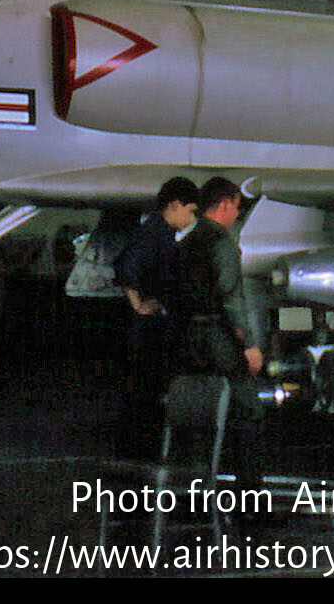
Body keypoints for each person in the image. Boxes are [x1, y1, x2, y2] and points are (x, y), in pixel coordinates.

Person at [172, 176, 264, 484]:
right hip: (217, 339)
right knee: (247, 410)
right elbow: (231, 300)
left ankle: (195, 493)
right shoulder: (222, 244)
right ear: (224, 204)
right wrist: (249, 345)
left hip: (186, 340)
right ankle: (250, 500)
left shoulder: (184, 243)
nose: (237, 214)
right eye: (236, 207)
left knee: (197, 415)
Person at [114, 176, 199, 457]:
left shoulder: (156, 231)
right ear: (175, 206)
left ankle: (139, 447)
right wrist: (137, 303)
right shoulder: (155, 234)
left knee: (143, 392)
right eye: (190, 211)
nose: (191, 218)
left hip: (149, 326)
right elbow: (128, 265)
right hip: (148, 329)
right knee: (145, 391)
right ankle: (140, 450)